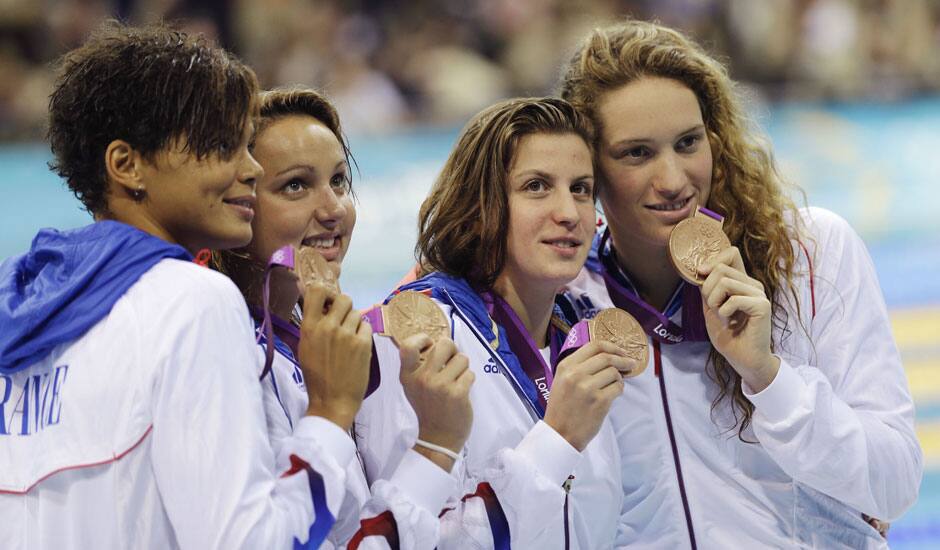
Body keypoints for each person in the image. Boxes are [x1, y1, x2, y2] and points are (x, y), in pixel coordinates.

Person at [0, 22, 371, 549]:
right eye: (222, 145)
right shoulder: (189, 300)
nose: (250, 169)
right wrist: (331, 414)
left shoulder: (21, 299)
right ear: (127, 165)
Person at [558, 19, 922, 548]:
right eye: (637, 153)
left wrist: (768, 375)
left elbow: (894, 484)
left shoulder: (806, 254)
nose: (674, 180)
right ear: (589, 167)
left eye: (688, 143)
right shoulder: (565, 299)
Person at [355, 97, 637, 549]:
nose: (568, 212)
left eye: (581, 188)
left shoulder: (583, 336)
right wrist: (556, 439)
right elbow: (410, 539)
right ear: (482, 203)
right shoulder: (416, 338)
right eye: (537, 186)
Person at [213, 86, 475, 548]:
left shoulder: (320, 339)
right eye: (295, 185)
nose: (334, 209)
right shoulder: (227, 358)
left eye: (338, 181)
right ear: (234, 199)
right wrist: (435, 445)